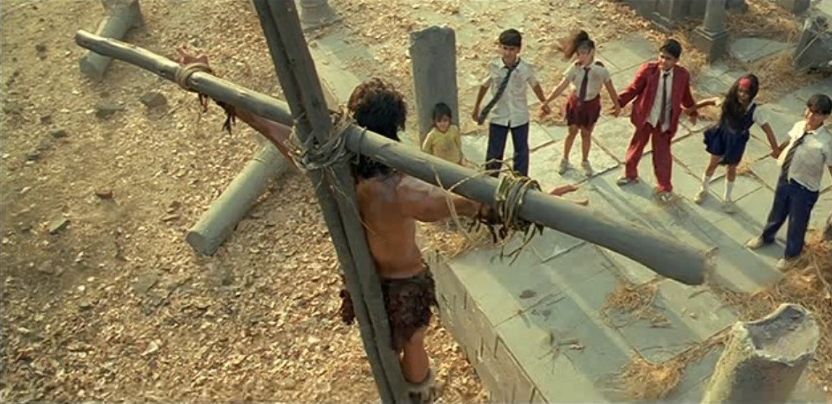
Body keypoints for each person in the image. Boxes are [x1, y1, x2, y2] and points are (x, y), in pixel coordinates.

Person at [174, 48, 583, 398]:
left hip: (362, 272)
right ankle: (418, 396)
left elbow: (267, 122)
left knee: (387, 340)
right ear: (395, 130)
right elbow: (471, 202)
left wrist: (207, 76)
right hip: (403, 280)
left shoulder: (332, 171)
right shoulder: (404, 189)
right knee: (413, 341)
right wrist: (538, 202)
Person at [745, 94, 832, 270]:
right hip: (786, 177)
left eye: (816, 114)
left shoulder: (827, 142)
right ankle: (766, 236)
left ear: (825, 116)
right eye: (809, 110)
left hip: (804, 188)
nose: (810, 116)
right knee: (777, 212)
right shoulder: (799, 125)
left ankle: (792, 255)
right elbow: (791, 140)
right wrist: (779, 149)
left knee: (797, 222)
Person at [615, 39, 698, 203]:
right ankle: (630, 174)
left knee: (662, 155)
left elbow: (686, 95)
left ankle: (665, 187)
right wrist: (619, 102)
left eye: (668, 58)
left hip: (664, 122)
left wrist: (692, 112)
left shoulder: (682, 75)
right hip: (646, 117)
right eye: (662, 56)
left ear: (676, 60)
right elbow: (634, 89)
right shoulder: (649, 70)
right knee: (636, 147)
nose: (663, 61)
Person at [687, 74, 781, 212]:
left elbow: (768, 130)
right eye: (740, 91)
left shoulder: (755, 111)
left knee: (731, 168)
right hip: (721, 136)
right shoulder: (728, 101)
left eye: (746, 93)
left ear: (752, 93)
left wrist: (775, 149)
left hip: (737, 141)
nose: (742, 95)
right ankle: (703, 189)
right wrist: (692, 108)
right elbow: (711, 101)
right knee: (713, 163)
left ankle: (727, 198)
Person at [541, 30, 621, 177]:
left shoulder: (600, 70)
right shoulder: (575, 68)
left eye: (585, 53)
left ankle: (585, 160)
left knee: (586, 134)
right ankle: (565, 159)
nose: (581, 57)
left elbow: (610, 88)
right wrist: (547, 101)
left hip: (591, 105)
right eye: (579, 54)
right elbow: (562, 85)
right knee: (572, 132)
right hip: (576, 102)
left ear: (592, 52)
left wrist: (617, 105)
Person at [472, 28, 550, 177]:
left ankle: (520, 182)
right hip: (499, 115)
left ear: (518, 50)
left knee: (521, 152)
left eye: (511, 49)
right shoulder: (494, 66)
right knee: (494, 153)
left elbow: (535, 85)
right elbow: (484, 85)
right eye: (505, 48)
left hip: (519, 115)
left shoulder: (525, 69)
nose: (507, 53)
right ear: (500, 47)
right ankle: (490, 181)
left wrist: (544, 102)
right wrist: (476, 108)